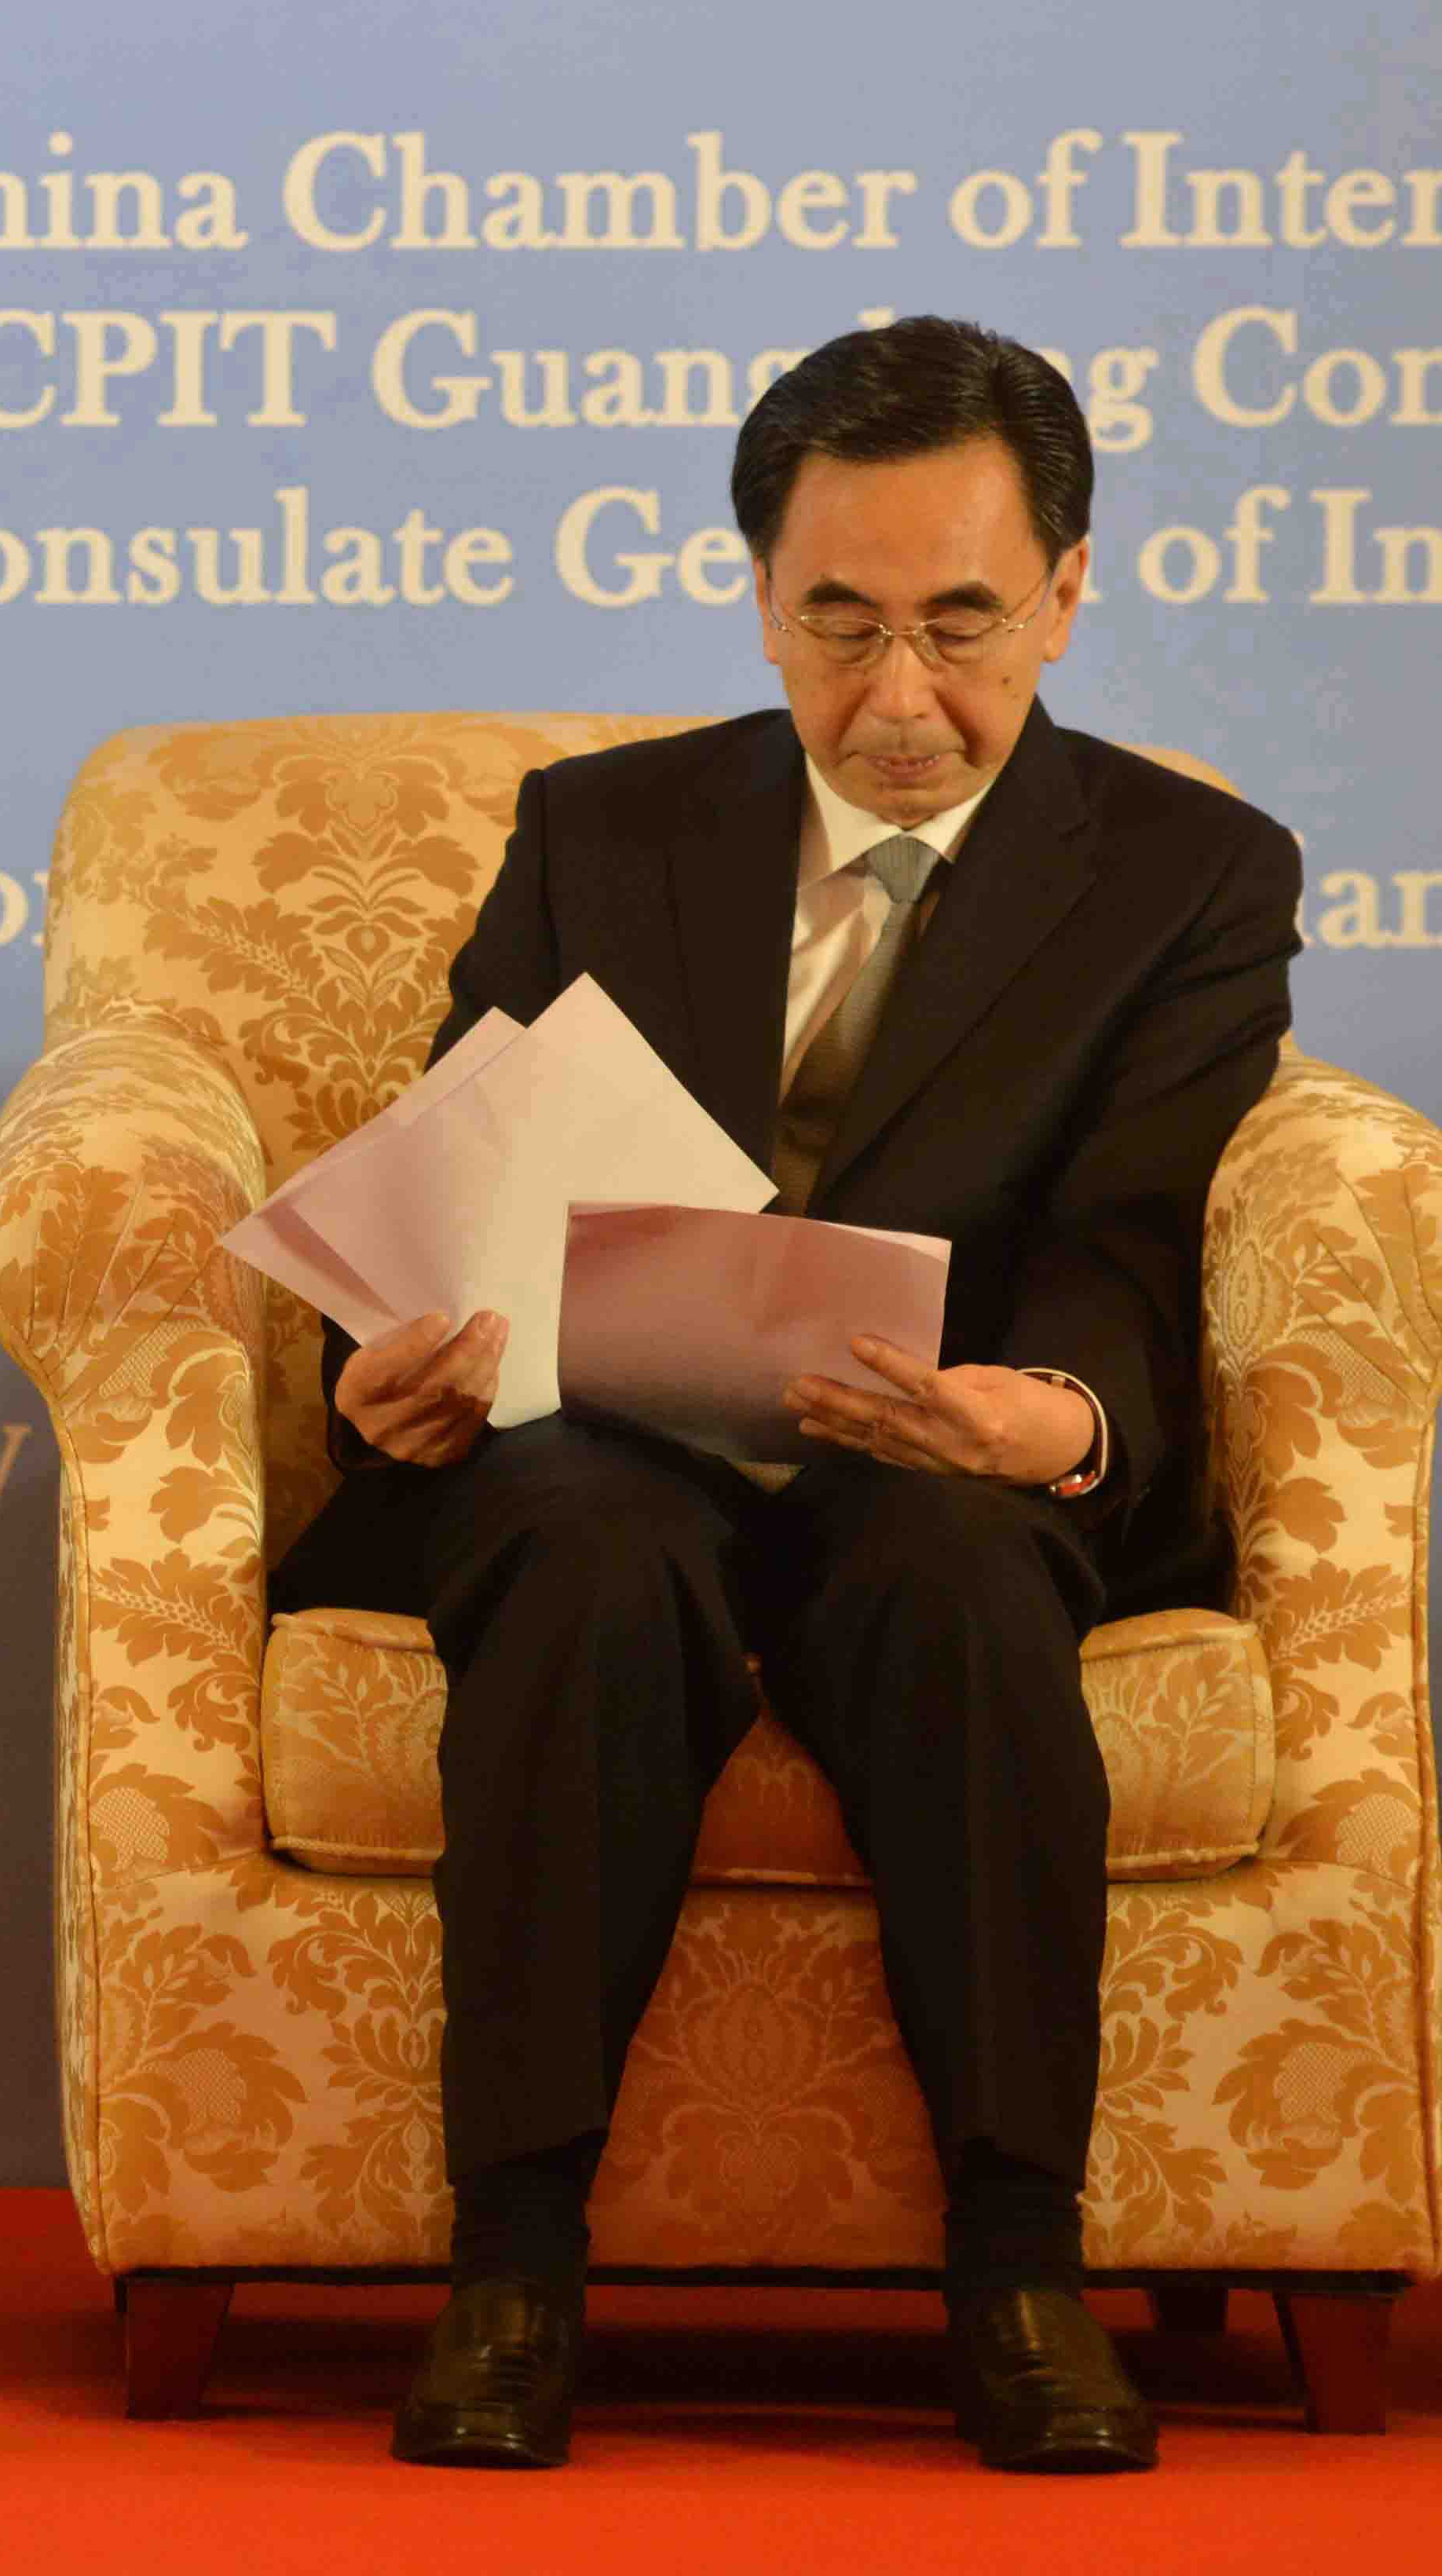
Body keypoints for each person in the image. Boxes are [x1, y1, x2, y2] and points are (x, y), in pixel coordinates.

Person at [269, 318, 1301, 2474]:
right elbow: (465, 1155)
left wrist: (1054, 1418)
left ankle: (1021, 2264)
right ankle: (515, 2267)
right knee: (579, 1548)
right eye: (839, 627)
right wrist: (397, 1358)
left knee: (960, 1579)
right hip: (614, 1439)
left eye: (962, 626)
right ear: (760, 594)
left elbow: (1130, 1227)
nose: (900, 701)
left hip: (942, 1444)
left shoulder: (1189, 877)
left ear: (1070, 592)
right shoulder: (606, 830)